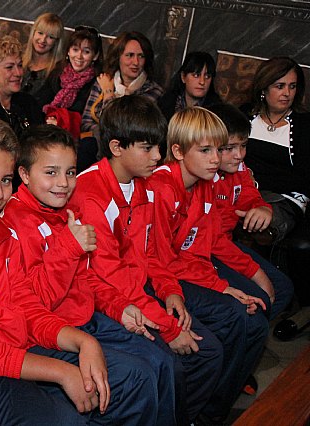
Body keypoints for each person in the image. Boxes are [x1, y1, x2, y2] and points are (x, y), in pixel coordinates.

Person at [0, 114, 159, 425]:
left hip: (16, 350)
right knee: (67, 417)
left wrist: (83, 342)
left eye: (5, 180)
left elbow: (28, 307)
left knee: (136, 377)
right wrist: (60, 370)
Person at [2, 124, 179, 425]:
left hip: (87, 316)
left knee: (162, 359)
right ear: (24, 175)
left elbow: (87, 277)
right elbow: (36, 303)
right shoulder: (14, 223)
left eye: (70, 172)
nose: (63, 183)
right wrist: (68, 248)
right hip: (51, 332)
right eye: (51, 172)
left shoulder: (64, 211)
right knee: (138, 375)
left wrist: (120, 307)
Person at [67, 97, 224, 424]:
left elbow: (151, 255)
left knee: (208, 349)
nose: (158, 156)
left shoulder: (144, 187)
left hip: (138, 292)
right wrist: (167, 327)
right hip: (106, 300)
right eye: (148, 147)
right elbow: (110, 276)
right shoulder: (91, 193)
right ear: (116, 147)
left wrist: (170, 292)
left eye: (159, 147)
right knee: (174, 360)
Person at [147, 107, 269, 423]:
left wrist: (226, 286)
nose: (216, 158)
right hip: (156, 277)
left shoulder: (202, 184)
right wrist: (223, 288)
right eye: (205, 150)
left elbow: (197, 252)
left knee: (255, 322)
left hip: (182, 270)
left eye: (218, 148)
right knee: (233, 316)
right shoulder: (161, 188)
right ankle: (195, 415)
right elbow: (159, 260)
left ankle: (214, 411)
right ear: (177, 151)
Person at [208, 103, 294, 320]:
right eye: (229, 148)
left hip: (227, 244)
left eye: (243, 146)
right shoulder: (205, 177)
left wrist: (262, 207)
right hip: (208, 251)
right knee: (258, 297)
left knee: (283, 289)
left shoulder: (237, 167)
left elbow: (248, 193)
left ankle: (251, 332)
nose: (238, 155)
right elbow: (213, 241)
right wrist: (256, 273)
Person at [242, 56, 310, 241]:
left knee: (261, 226)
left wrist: (260, 186)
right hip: (241, 190)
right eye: (280, 86)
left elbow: (303, 178)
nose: (287, 93)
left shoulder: (305, 125)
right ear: (264, 89)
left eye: (292, 86)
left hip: (285, 199)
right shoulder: (245, 115)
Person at [81, 31, 164, 137]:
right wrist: (101, 133)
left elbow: (120, 127)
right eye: (129, 55)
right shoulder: (104, 80)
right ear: (118, 57)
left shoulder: (153, 92)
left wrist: (108, 92)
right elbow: (85, 123)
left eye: (141, 56)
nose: (136, 62)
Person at [38, 26, 103, 139]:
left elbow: (86, 120)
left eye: (86, 52)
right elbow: (40, 100)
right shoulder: (58, 71)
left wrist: (60, 120)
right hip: (45, 131)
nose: (79, 56)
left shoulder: (98, 81)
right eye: (75, 49)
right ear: (68, 51)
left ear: (95, 56)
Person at [158, 51, 221, 121]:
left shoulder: (217, 112)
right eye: (196, 75)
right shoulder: (166, 103)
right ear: (183, 77)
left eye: (207, 76)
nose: (202, 82)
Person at [21, 12, 65, 106]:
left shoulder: (59, 73)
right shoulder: (18, 62)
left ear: (56, 42)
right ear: (33, 33)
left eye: (50, 37)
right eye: (40, 33)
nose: (43, 40)